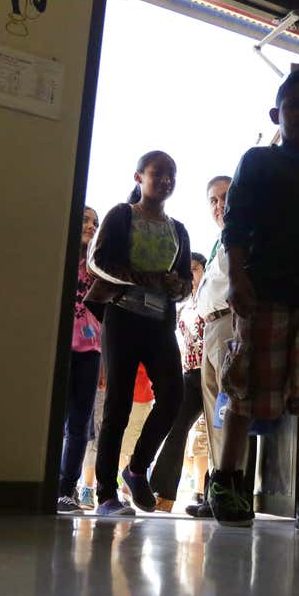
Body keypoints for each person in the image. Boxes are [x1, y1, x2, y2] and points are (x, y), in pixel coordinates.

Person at [206, 69, 299, 539]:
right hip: (264, 291)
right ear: (277, 114)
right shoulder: (257, 162)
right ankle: (227, 482)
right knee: (248, 383)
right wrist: (236, 278)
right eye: (291, 105)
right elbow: (236, 222)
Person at [86, 151, 195, 517]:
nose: (165, 180)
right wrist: (144, 278)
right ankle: (105, 495)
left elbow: (183, 283)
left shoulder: (178, 229)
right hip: (122, 318)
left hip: (159, 322)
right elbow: (98, 261)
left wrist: (177, 286)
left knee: (174, 396)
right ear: (139, 177)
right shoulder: (121, 215)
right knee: (117, 405)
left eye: (171, 175)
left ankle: (135, 470)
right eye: (158, 173)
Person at [184, 175, 236, 519]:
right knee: (215, 414)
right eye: (213, 201)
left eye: (225, 197)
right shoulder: (219, 241)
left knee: (228, 409)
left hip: (232, 323)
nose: (219, 206)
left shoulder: (246, 231)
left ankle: (230, 487)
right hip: (210, 329)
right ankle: (216, 489)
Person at [144, 252, 210, 511]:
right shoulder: (184, 305)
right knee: (176, 426)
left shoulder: (211, 297)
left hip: (213, 369)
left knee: (217, 434)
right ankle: (163, 494)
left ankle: (215, 493)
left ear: (203, 270)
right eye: (187, 271)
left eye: (194, 269)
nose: (190, 275)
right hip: (190, 372)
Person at [56, 207, 104, 514]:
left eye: (95, 223)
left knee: (79, 423)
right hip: (60, 347)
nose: (90, 226)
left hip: (91, 351)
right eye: (85, 219)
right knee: (54, 420)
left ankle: (66, 489)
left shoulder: (99, 265)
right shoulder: (59, 257)